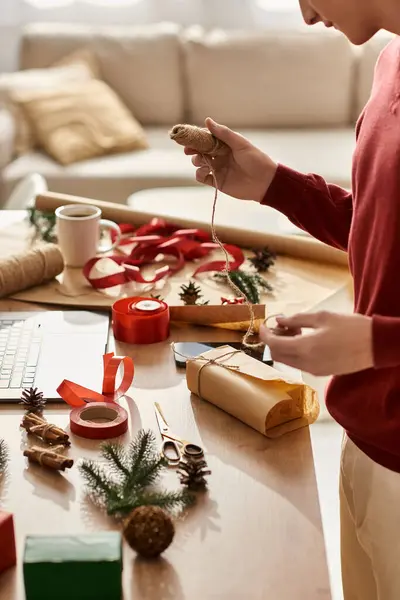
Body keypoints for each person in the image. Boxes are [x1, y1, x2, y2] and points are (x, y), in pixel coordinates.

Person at [182, 1, 400, 599]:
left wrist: (376, 340)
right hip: (365, 439)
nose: (305, 16)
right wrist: (276, 185)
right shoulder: (391, 63)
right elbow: (377, 225)